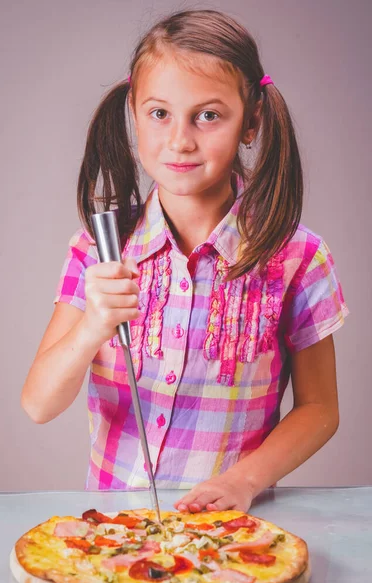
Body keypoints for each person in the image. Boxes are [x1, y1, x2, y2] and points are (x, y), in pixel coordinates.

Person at [21, 9, 349, 514]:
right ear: (133, 111)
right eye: (159, 114)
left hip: (233, 530)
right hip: (113, 529)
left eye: (209, 115)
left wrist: (244, 481)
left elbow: (320, 408)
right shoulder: (98, 250)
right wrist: (93, 326)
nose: (180, 140)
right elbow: (39, 404)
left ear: (252, 120)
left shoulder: (298, 258)